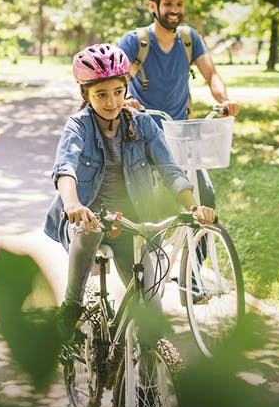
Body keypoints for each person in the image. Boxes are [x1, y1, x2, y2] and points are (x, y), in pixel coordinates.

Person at [45, 43, 215, 334]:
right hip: (87, 218)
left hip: (129, 223)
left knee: (152, 314)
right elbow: (66, 168)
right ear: (85, 95)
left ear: (126, 90)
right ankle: (71, 304)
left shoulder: (143, 125)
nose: (111, 102)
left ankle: (148, 372)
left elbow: (169, 170)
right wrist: (72, 204)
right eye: (101, 94)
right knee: (91, 228)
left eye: (118, 92)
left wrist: (193, 206)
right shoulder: (78, 126)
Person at [117, 0, 240, 209]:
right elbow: (120, 82)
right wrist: (128, 98)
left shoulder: (189, 39)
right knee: (148, 204)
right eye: (168, 4)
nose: (175, 10)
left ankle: (199, 246)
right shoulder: (136, 41)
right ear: (153, 6)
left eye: (180, 4)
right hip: (145, 133)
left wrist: (225, 101)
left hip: (182, 132)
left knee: (205, 198)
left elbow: (211, 74)